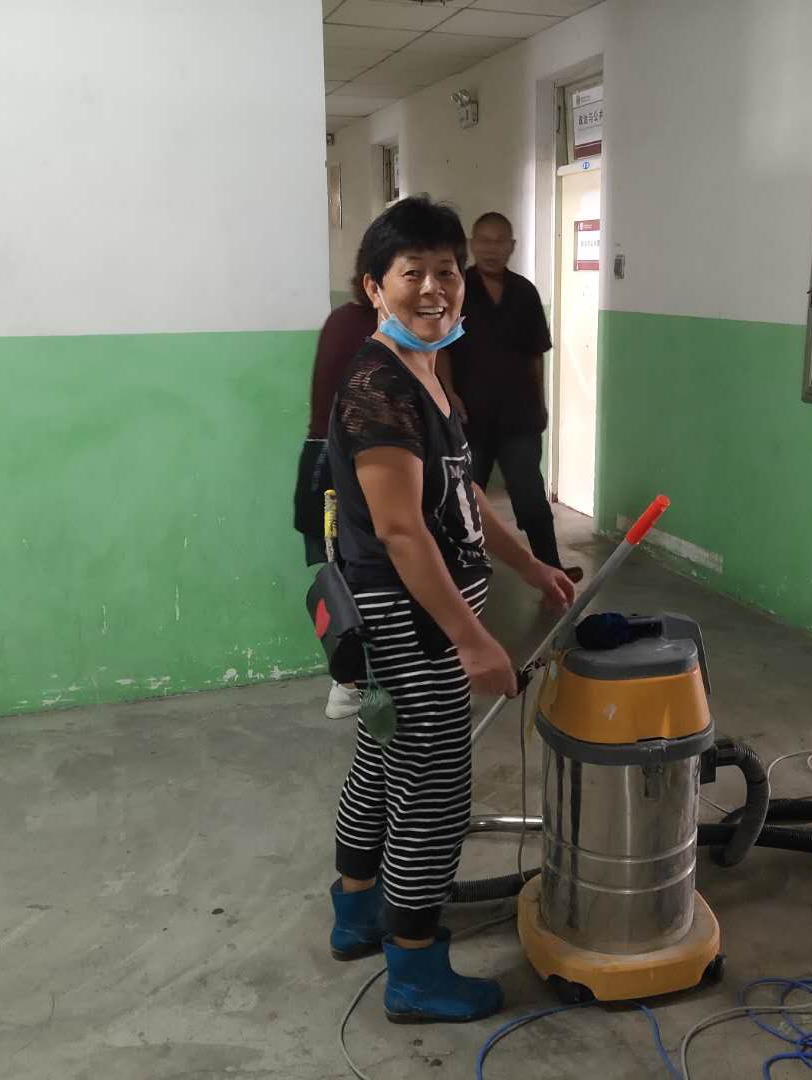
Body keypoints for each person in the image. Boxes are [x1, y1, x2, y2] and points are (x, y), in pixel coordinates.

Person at [325, 196, 575, 1023]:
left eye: (446, 271)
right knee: (432, 791)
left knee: (382, 762)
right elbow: (401, 530)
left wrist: (530, 564)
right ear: (374, 286)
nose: (434, 288)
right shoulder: (378, 388)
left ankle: (356, 911)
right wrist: (471, 640)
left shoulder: (427, 373)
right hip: (410, 621)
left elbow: (460, 496)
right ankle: (416, 971)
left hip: (418, 618)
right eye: (413, 273)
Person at [441, 211, 583, 582]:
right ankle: (457, 576)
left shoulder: (525, 293)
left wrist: (540, 403)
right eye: (484, 241)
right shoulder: (455, 289)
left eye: (500, 241)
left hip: (519, 416)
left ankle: (553, 571)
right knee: (464, 500)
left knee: (530, 497)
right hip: (469, 415)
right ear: (472, 244)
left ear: (512, 246)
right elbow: (441, 348)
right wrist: (448, 392)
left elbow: (536, 354)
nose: (492, 249)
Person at [294, 263, 378, 720]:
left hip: (324, 464)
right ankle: (348, 683)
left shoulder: (344, 320)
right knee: (350, 573)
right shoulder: (367, 329)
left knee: (342, 570)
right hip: (337, 470)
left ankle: (349, 682)